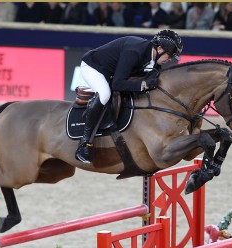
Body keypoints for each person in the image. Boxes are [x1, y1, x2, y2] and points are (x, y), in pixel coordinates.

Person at [75, 30, 183, 163]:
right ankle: (84, 143)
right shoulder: (135, 51)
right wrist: (143, 85)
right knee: (105, 94)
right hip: (94, 67)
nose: (170, 59)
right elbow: (118, 84)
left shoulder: (154, 59)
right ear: (159, 48)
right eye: (170, 55)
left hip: (111, 72)